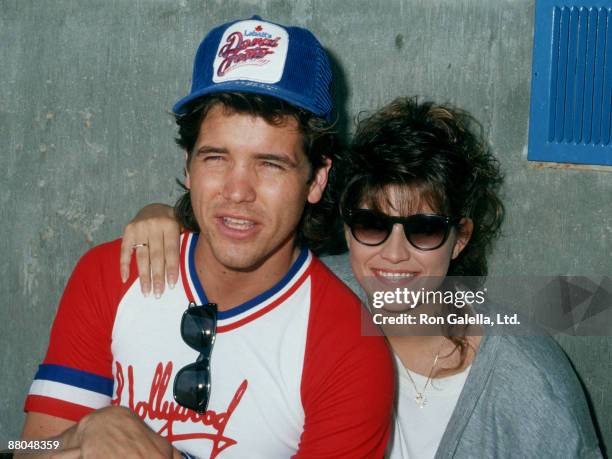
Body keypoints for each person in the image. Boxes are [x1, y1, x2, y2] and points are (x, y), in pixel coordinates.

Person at [123, 97, 603, 458]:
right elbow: (234, 245)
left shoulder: (529, 385)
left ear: (460, 238)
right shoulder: (315, 292)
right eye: (372, 225)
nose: (393, 256)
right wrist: (164, 217)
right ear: (346, 227)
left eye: (424, 230)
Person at [21, 16, 394, 459]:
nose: (237, 192)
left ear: (317, 179)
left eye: (270, 164)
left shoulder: (350, 352)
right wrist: (80, 437)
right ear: (188, 165)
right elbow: (23, 445)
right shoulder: (112, 271)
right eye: (216, 158)